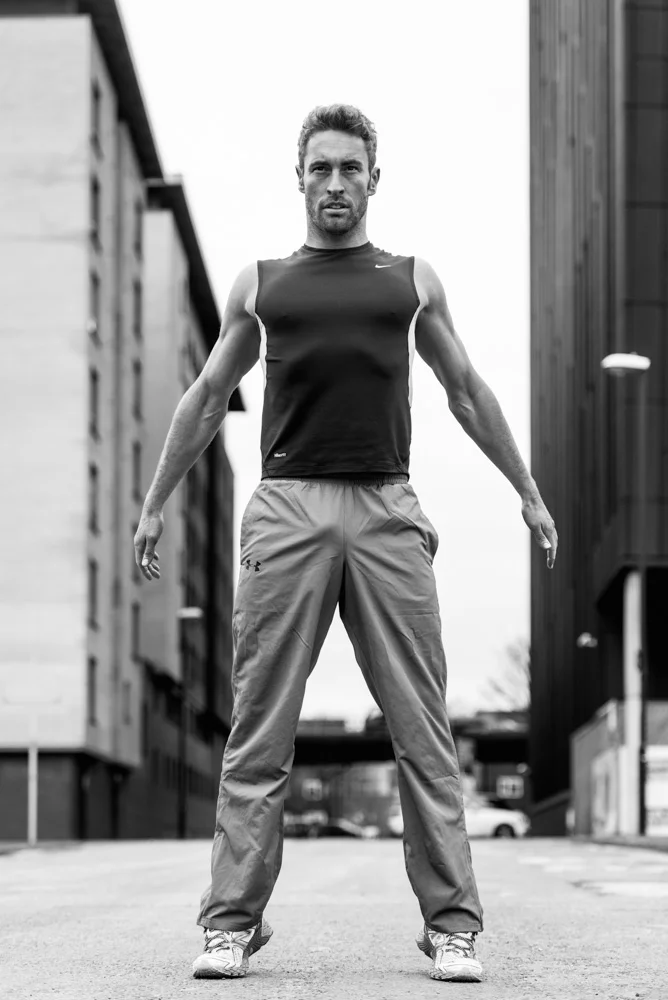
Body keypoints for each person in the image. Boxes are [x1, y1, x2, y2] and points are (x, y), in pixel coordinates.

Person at [134, 103, 558, 984]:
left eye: (350, 169)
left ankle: (452, 927)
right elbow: (207, 396)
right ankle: (230, 924)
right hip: (286, 510)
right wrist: (154, 501)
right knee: (260, 727)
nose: (335, 183)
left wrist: (525, 489)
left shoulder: (409, 282)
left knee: (422, 728)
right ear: (300, 177)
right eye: (321, 168)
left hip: (385, 508)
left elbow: (467, 389)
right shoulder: (261, 285)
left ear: (374, 179)